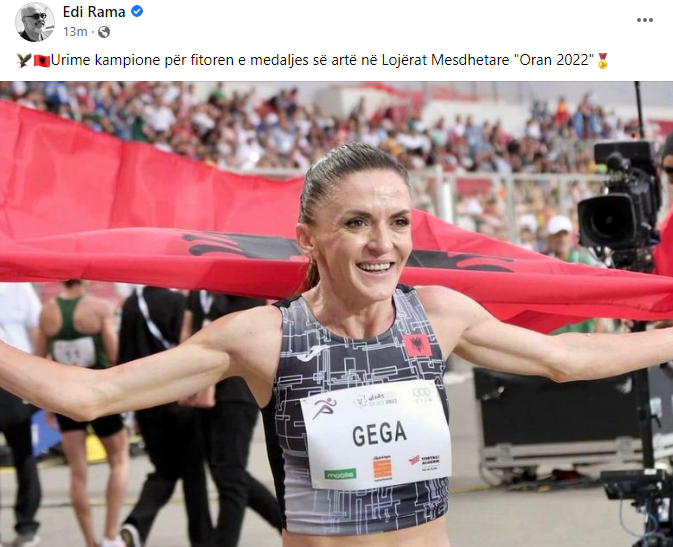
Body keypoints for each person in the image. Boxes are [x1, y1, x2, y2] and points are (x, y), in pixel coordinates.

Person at [4, 142, 673, 547]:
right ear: (307, 238)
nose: (384, 244)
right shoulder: (265, 337)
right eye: (356, 222)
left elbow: (565, 359)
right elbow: (89, 395)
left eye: (398, 221)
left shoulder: (437, 315)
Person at [180, 291, 282, 546]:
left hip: (236, 392)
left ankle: (226, 541)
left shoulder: (244, 291)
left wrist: (207, 386)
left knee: (230, 477)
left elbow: (237, 341)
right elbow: (189, 335)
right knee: (225, 473)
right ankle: (284, 522)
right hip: (204, 390)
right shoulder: (198, 293)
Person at [35, 280, 129, 547]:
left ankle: (90, 541)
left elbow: (39, 362)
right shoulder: (99, 308)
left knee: (77, 472)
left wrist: (48, 406)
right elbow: (114, 355)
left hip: (66, 399)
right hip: (99, 396)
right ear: (84, 278)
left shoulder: (47, 312)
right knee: (119, 461)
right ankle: (110, 535)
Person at [118, 286, 212, 547]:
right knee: (193, 476)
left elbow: (123, 357)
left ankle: (135, 525)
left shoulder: (130, 304)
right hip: (178, 401)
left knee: (164, 471)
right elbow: (189, 350)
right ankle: (202, 540)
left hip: (145, 403)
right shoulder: (176, 302)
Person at [0, 283, 42, 547]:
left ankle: (26, 525)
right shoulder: (18, 284)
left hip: (15, 380)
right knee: (24, 454)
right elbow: (35, 328)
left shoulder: (18, 283)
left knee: (24, 454)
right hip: (14, 377)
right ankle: (26, 525)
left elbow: (36, 327)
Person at [546, 214, 604, 334]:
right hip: (555, 333)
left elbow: (597, 294)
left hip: (583, 330)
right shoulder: (544, 264)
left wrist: (599, 325)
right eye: (557, 235)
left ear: (571, 236)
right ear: (550, 238)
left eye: (565, 234)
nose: (562, 239)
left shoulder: (583, 261)